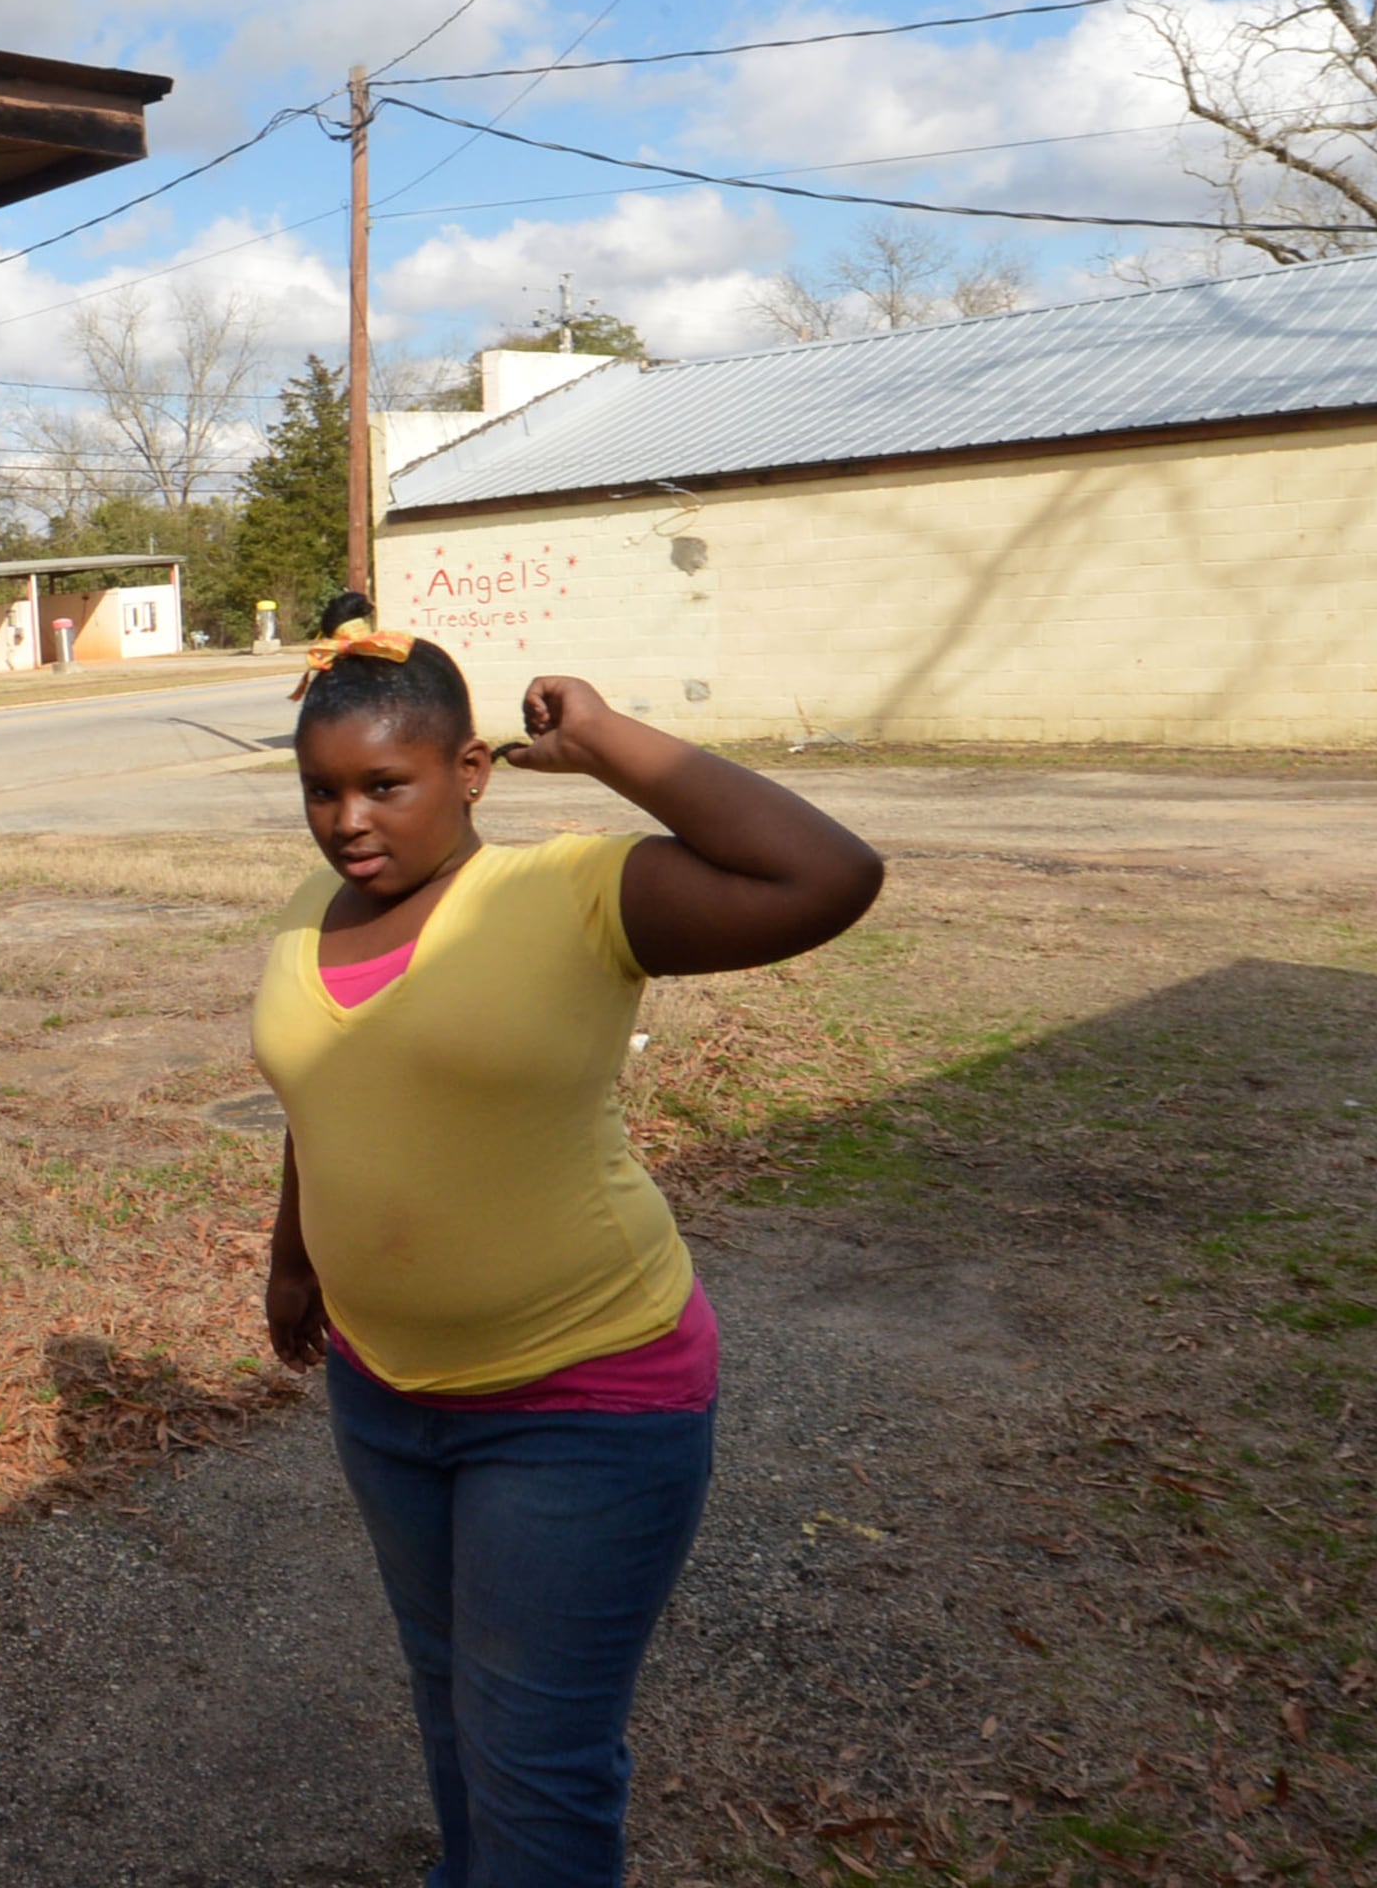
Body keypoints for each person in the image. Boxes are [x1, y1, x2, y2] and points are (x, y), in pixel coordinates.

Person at [255, 592, 885, 1888]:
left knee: (538, 1762)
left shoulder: (570, 892)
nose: (350, 821)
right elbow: (323, 1099)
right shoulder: (312, 929)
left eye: (386, 784)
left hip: (583, 1404)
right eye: (323, 792)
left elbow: (828, 874)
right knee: (452, 1710)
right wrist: (295, 1259)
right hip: (383, 1397)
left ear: (470, 771)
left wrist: (609, 740)